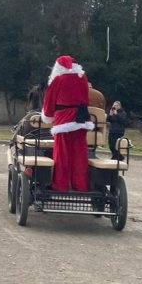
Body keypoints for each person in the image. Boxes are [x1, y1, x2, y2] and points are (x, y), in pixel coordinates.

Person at [40, 54, 93, 192]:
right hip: (82, 119)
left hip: (64, 120)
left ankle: (60, 185)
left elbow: (49, 101)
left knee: (62, 154)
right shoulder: (83, 78)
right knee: (80, 154)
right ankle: (80, 185)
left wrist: (47, 116)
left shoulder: (58, 79)